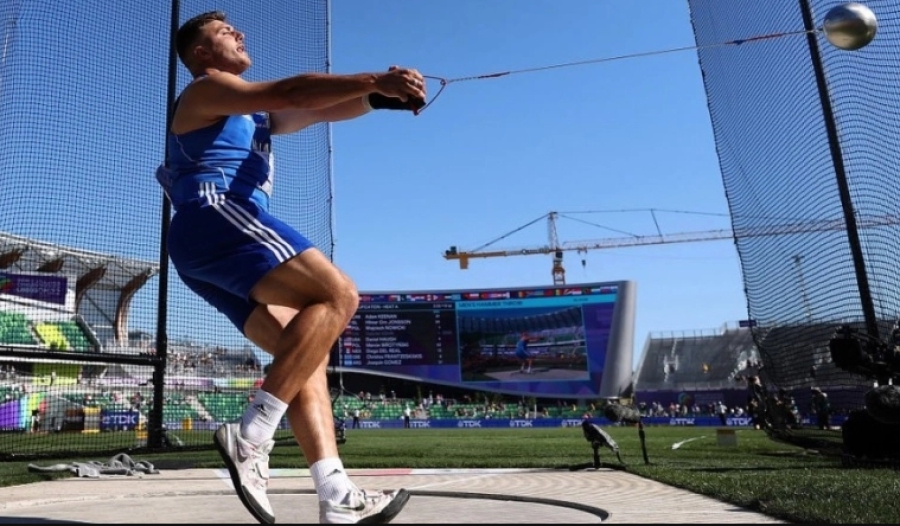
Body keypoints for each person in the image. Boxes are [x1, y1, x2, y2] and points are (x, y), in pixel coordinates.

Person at [156, 11, 425, 525]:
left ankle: (336, 494)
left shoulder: (251, 114)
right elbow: (297, 92)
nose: (238, 33)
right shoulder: (206, 90)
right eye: (223, 32)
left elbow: (319, 111)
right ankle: (251, 437)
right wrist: (376, 77)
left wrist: (376, 99)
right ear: (200, 55)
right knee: (340, 295)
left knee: (303, 358)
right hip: (217, 214)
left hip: (201, 244)